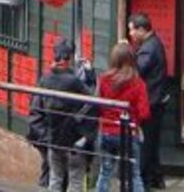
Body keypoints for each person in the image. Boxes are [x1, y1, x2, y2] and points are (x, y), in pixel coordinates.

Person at [34, 38, 93, 192]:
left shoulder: (45, 79)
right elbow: (91, 99)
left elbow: (36, 108)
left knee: (55, 179)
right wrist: (89, 74)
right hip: (74, 140)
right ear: (69, 58)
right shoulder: (73, 81)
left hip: (53, 138)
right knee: (75, 181)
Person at [94, 42, 150, 192]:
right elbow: (144, 112)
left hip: (106, 131)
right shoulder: (138, 84)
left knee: (105, 172)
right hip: (128, 132)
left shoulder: (104, 80)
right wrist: (135, 120)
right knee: (134, 175)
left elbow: (98, 105)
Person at [126, 14, 167, 190]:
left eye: (132, 30)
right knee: (151, 143)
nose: (130, 34)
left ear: (142, 29)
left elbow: (136, 71)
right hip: (155, 101)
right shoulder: (152, 44)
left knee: (145, 144)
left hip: (150, 102)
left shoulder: (148, 49)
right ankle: (156, 178)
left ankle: (143, 182)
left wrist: (126, 53)